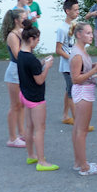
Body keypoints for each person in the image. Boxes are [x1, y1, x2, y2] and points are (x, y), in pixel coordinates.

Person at [17, 19, 59, 171]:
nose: (38, 42)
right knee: (40, 129)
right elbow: (40, 79)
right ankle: (41, 161)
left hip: (25, 95)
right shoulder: (31, 59)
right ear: (31, 39)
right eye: (37, 40)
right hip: (36, 98)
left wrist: (41, 62)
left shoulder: (21, 55)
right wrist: (47, 66)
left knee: (29, 126)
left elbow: (30, 69)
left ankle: (31, 155)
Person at [70, 21, 97, 175]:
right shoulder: (77, 54)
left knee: (78, 128)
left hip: (84, 90)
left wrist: (93, 65)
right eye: (88, 33)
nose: (91, 36)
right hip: (83, 92)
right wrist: (95, 71)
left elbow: (82, 69)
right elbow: (75, 78)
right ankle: (84, 166)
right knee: (82, 130)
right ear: (79, 34)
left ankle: (78, 162)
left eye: (91, 33)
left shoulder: (80, 50)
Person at [1, 9, 27, 148]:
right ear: (16, 20)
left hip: (22, 70)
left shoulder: (22, 32)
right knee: (15, 105)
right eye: (23, 18)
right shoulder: (13, 35)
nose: (26, 20)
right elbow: (18, 55)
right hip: (14, 72)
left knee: (22, 104)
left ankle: (22, 133)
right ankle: (12, 138)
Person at [56, 0, 80, 126]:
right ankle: (78, 121)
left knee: (68, 90)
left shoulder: (75, 25)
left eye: (78, 9)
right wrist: (71, 58)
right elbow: (58, 50)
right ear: (67, 11)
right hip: (67, 66)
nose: (78, 12)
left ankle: (65, 116)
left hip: (75, 64)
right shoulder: (62, 29)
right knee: (72, 93)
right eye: (75, 10)